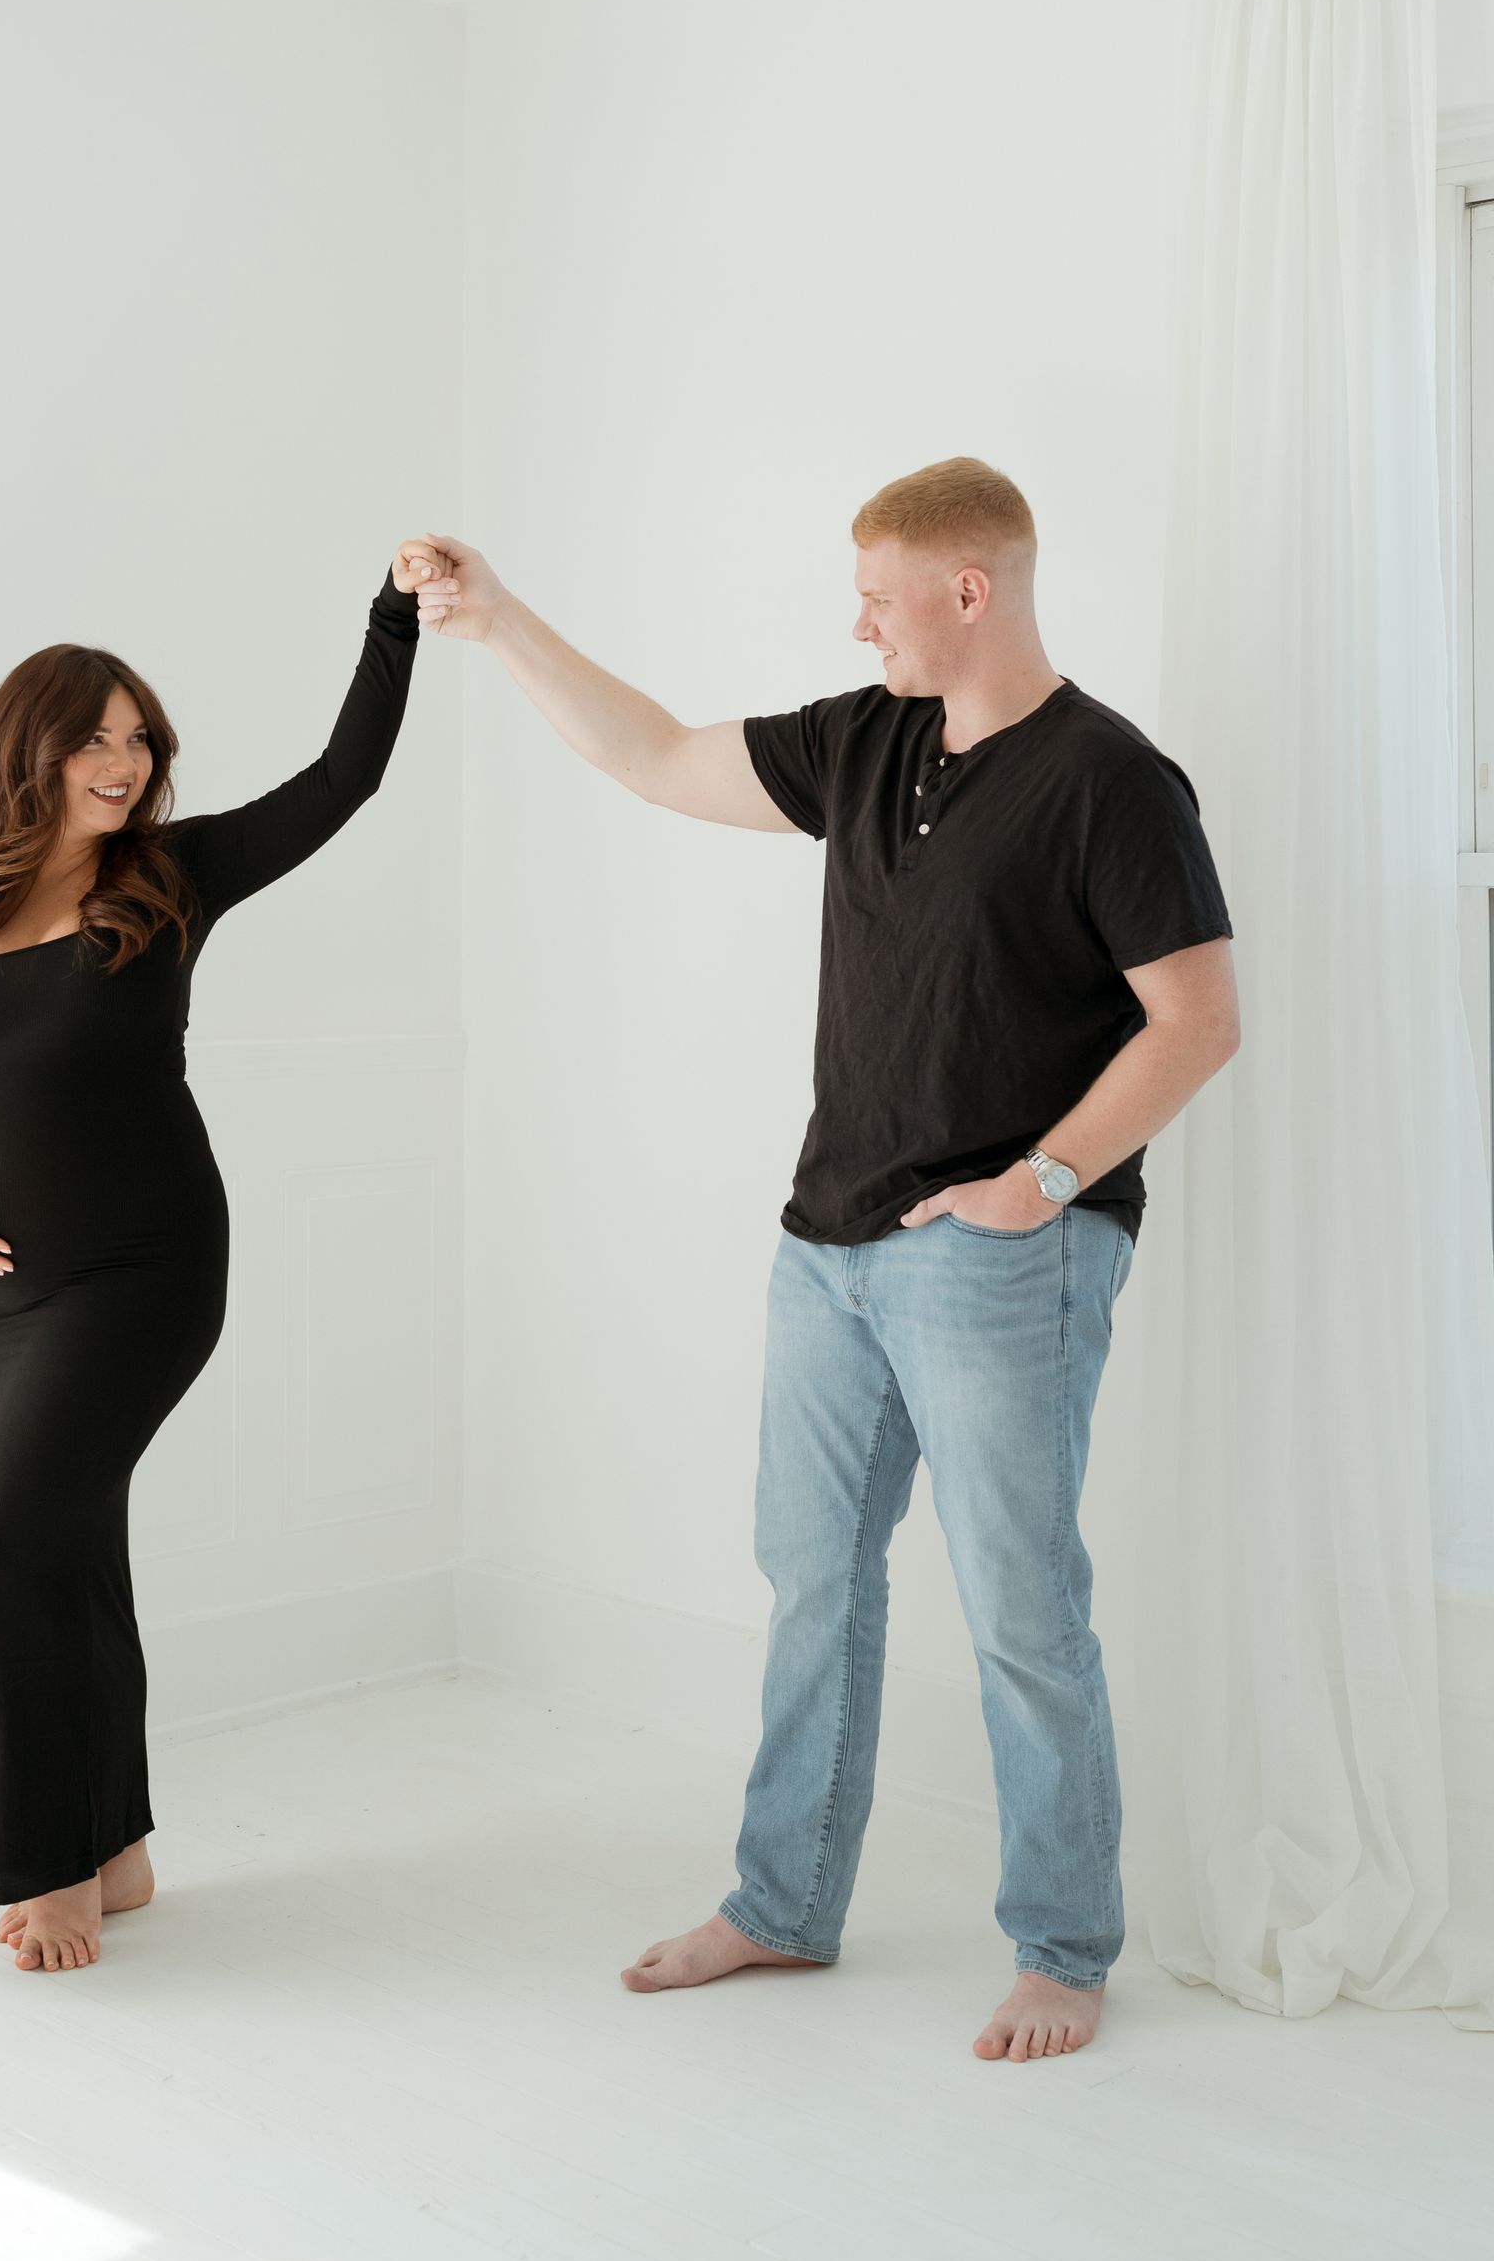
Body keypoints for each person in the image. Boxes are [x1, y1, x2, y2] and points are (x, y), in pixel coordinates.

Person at [412, 457, 1239, 2063]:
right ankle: (784, 1903)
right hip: (830, 1247)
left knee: (1021, 1609)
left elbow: (1197, 1019)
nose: (860, 623)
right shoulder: (869, 740)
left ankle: (1064, 1946)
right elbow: (656, 754)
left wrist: (1040, 1183)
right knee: (812, 1580)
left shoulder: (1113, 779)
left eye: (879, 596)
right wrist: (500, 622)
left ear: (968, 590)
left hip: (1001, 1258)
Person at [0, 542, 439, 1972]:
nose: (124, 765)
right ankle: (113, 1846)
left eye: (140, 741)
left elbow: (343, 778)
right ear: (31, 751)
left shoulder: (169, 877)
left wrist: (393, 616)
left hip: (144, 1268)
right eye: (96, 741)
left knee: (8, 1532)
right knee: (66, 1542)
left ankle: (45, 1864)